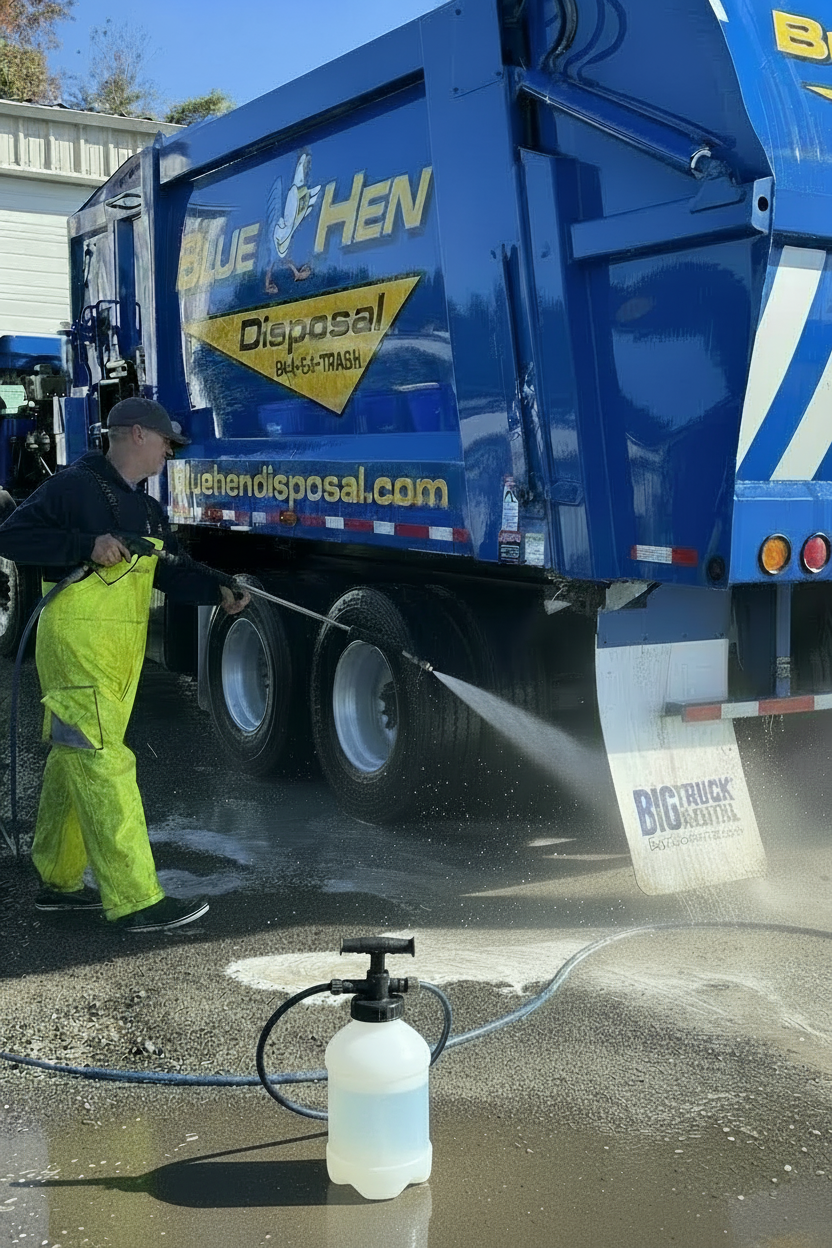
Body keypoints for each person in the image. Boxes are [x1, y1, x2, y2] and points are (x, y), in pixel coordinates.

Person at [0, 396, 250, 932]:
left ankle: (60, 884)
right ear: (136, 434)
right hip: (77, 652)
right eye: (166, 443)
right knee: (104, 764)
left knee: (76, 760)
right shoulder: (72, 489)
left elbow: (169, 572)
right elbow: (11, 536)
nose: (169, 453)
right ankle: (136, 898)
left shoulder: (145, 507)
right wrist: (85, 544)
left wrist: (218, 588)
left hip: (117, 660)